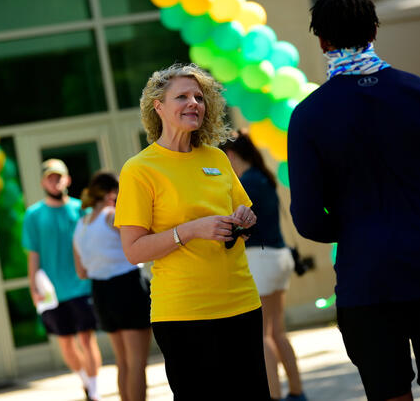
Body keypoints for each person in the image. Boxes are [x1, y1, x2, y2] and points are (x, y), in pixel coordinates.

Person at [287, 0, 420, 401]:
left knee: (388, 391)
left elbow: (307, 218)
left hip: (366, 281)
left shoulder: (308, 116)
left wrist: (358, 229)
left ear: (323, 42)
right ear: (375, 30)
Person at [115, 63, 270, 400]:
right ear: (158, 107)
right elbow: (134, 250)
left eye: (199, 97)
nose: (194, 103)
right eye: (182, 96)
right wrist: (191, 230)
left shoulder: (216, 158)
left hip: (241, 303)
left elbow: (241, 214)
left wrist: (243, 219)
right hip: (185, 314)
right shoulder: (140, 169)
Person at [221, 130, 306, 401]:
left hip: (260, 260)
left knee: (262, 337)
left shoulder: (247, 183)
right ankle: (296, 392)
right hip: (278, 258)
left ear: (231, 155)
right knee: (277, 332)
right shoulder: (263, 177)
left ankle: (274, 396)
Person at [22, 158, 102, 401]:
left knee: (87, 340)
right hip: (52, 293)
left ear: (67, 179)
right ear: (43, 181)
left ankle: (96, 392)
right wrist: (33, 287)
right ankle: (85, 382)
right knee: (66, 343)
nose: (55, 181)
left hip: (82, 286)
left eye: (59, 177)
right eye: (50, 177)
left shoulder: (81, 210)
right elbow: (33, 255)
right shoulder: (33, 215)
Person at [73, 171, 152, 401]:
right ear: (112, 194)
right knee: (137, 362)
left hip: (101, 292)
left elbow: (81, 271)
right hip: (127, 286)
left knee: (123, 362)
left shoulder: (81, 225)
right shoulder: (112, 216)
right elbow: (143, 240)